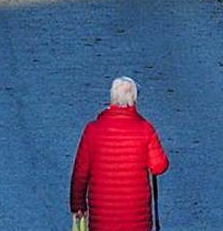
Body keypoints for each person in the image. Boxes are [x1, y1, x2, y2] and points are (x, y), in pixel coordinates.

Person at [70, 77, 169, 231]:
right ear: (134, 99)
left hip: (102, 220)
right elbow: (159, 166)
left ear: (112, 98)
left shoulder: (92, 130)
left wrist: (78, 205)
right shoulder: (145, 129)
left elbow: (80, 173)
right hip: (137, 220)